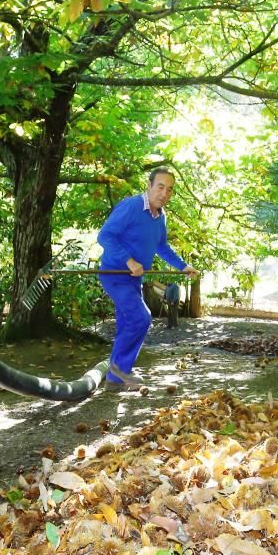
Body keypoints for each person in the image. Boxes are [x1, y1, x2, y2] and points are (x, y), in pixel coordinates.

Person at [97, 167, 199, 389]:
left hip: (133, 280)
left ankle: (115, 379)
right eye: (160, 187)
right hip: (114, 275)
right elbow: (105, 236)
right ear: (149, 186)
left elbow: (162, 247)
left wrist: (183, 266)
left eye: (169, 190)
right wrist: (129, 261)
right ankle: (119, 370)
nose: (164, 193)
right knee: (141, 318)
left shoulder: (160, 217)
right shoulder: (131, 206)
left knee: (128, 323)